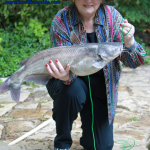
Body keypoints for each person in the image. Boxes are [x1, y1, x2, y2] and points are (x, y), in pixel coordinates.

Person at [45, 0, 146, 150]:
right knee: (71, 92)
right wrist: (64, 76)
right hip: (68, 83)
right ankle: (62, 141)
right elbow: (60, 63)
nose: (88, 0)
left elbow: (135, 62)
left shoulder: (113, 18)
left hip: (101, 91)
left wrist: (129, 41)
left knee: (101, 147)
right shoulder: (61, 20)